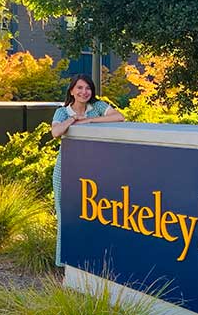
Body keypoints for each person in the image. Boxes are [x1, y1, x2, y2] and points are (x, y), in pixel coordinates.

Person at [51, 74, 125, 266]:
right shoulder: (62, 112)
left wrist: (90, 121)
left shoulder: (98, 107)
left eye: (88, 88)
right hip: (67, 170)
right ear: (72, 91)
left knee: (94, 214)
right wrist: (72, 121)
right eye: (80, 88)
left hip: (93, 170)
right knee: (66, 214)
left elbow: (119, 117)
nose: (84, 92)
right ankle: (64, 262)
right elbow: (56, 132)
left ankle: (90, 262)